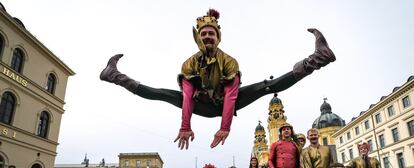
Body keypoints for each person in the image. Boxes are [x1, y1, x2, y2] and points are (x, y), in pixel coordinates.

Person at [100, 9, 336, 150]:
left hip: (227, 103)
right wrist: (185, 126)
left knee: (267, 86)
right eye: (203, 35)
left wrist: (225, 127)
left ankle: (317, 59)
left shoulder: (229, 61)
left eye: (211, 34)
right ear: (198, 39)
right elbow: (186, 96)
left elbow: (232, 95)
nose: (207, 37)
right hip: (200, 105)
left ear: (218, 37)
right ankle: (115, 76)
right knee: (162, 93)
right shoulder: (189, 63)